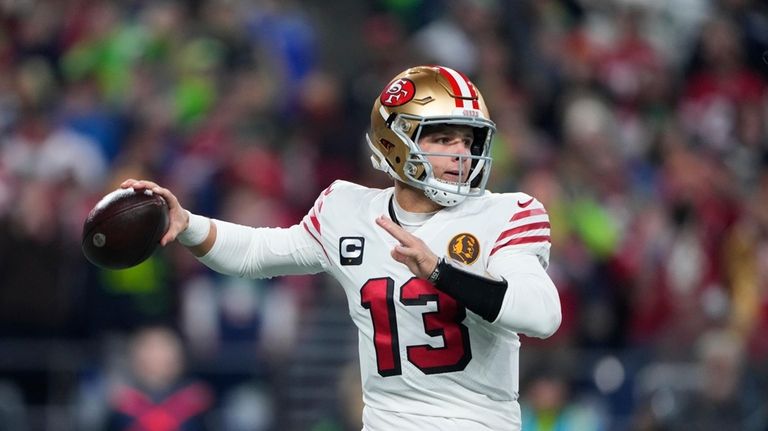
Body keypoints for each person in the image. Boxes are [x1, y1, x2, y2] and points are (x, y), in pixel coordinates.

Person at [122, 65, 561, 430]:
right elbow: (258, 252)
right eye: (443, 139)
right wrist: (188, 224)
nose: (461, 154)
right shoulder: (346, 209)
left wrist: (441, 272)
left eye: (468, 140)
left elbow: (542, 315)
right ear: (396, 141)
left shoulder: (508, 212)